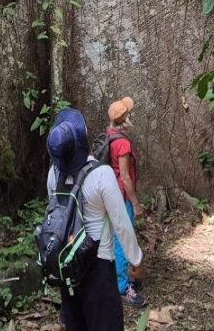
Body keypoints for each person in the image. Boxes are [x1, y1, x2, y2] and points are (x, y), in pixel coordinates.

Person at [46, 108, 143, 331]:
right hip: (98, 265)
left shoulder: (54, 174)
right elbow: (121, 222)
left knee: (76, 324)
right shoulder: (101, 174)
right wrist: (135, 258)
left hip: (68, 264)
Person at [107, 96, 146, 307]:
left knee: (116, 238)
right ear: (126, 119)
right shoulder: (122, 143)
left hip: (111, 195)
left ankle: (119, 279)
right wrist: (136, 203)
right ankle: (122, 288)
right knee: (123, 240)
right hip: (122, 197)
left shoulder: (110, 134)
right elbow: (125, 177)